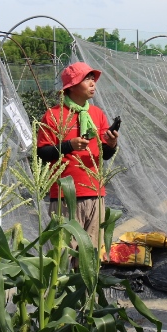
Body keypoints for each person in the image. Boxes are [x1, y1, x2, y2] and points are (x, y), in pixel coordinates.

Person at [36, 62, 119, 255]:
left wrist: (112, 145)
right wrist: (68, 146)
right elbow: (42, 152)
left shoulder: (96, 114)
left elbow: (104, 155)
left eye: (93, 79)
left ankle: (87, 285)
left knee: (90, 256)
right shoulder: (53, 116)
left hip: (95, 192)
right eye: (87, 79)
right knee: (64, 255)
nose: (93, 84)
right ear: (71, 87)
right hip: (66, 196)